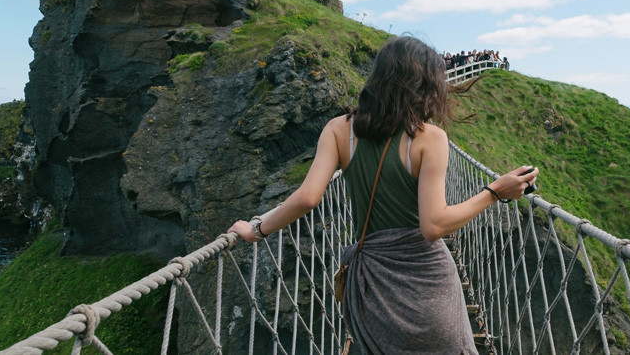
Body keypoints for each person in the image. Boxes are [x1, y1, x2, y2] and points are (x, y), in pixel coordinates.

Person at [227, 36, 539, 353]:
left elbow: (308, 197)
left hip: (373, 284)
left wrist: (255, 230)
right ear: (424, 83)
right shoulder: (430, 138)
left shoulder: (338, 129)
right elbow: (434, 226)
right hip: (428, 282)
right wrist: (495, 192)